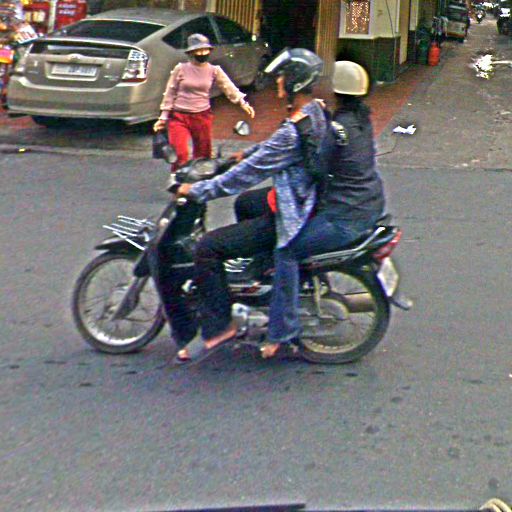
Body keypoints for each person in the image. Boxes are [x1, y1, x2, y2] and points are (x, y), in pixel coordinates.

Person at [149, 48, 327, 364]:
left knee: (207, 248)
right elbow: (270, 150)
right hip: (303, 198)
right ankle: (262, 269)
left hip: (291, 214)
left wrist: (198, 190)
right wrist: (244, 153)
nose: (277, 84)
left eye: (282, 78)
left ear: (294, 82)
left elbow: (245, 176)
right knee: (246, 203)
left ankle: (220, 326)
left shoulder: (292, 132)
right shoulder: (315, 112)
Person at [261, 60, 387, 357]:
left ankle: (280, 331)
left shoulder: (337, 128)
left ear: (335, 90)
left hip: (345, 216)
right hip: (368, 204)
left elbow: (317, 167)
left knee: (287, 251)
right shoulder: (360, 119)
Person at [153, 33, 255, 172]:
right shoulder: (180, 69)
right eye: (198, 50)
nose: (202, 53)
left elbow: (228, 87)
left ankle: (198, 181)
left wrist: (242, 103)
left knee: (203, 155)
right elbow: (170, 92)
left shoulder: (214, 70)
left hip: (201, 116)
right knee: (179, 154)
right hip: (179, 116)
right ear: (191, 52)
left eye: (205, 50)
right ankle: (177, 179)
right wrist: (163, 117)